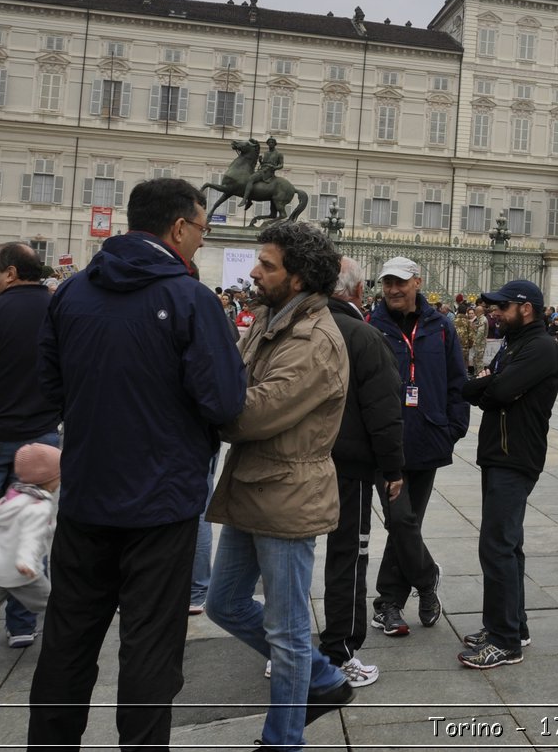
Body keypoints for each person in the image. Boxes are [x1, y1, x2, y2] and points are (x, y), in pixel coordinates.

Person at [29, 178, 246, 751]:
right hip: (163, 501)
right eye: (202, 229)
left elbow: (49, 387)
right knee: (150, 648)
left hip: (86, 496)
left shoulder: (72, 293)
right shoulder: (190, 298)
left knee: (67, 643)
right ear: (179, 228)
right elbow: (224, 404)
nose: (202, 241)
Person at [206, 221, 354, 748]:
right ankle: (324, 677)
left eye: (267, 264)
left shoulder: (316, 339)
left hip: (289, 491)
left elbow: (252, 412)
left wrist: (205, 406)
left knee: (287, 631)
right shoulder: (271, 318)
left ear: (297, 277)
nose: (255, 271)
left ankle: (282, 739)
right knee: (224, 604)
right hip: (253, 482)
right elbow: (236, 381)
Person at [458, 279, 558, 668]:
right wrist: (486, 385)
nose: (495, 313)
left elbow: (498, 392)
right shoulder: (516, 343)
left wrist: (485, 386)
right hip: (500, 452)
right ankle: (512, 624)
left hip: (515, 455)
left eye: (502, 307)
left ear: (526, 308)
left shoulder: (540, 347)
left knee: (497, 545)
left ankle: (504, 640)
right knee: (508, 544)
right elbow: (490, 387)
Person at [368, 256, 468, 637]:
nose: (393, 290)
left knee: (407, 523)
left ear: (417, 283)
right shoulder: (371, 326)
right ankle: (426, 581)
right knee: (401, 520)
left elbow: (456, 380)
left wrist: (453, 427)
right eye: (387, 283)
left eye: (400, 282)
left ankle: (389, 603)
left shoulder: (440, 326)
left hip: (427, 437)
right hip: (385, 443)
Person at [319, 256, 405, 687]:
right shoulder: (363, 335)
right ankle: (339, 652)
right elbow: (384, 411)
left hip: (298, 458)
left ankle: (285, 651)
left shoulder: (303, 326)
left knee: (288, 560)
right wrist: (392, 469)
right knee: (347, 556)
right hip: (348, 465)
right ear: (356, 290)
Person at [0, 242, 60, 647]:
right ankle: (22, 623)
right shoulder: (58, 310)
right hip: (43, 437)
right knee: (33, 531)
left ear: (11, 273)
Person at [0, 443, 59, 626]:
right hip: (22, 575)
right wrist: (26, 562)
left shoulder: (14, 497)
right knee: (54, 605)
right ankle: (67, 633)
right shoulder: (38, 508)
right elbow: (30, 539)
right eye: (58, 475)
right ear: (48, 479)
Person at [455, 301, 488, 376]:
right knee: (466, 363)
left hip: (455, 346)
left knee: (456, 362)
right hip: (465, 347)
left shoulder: (452, 321)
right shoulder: (467, 322)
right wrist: (470, 344)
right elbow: (471, 336)